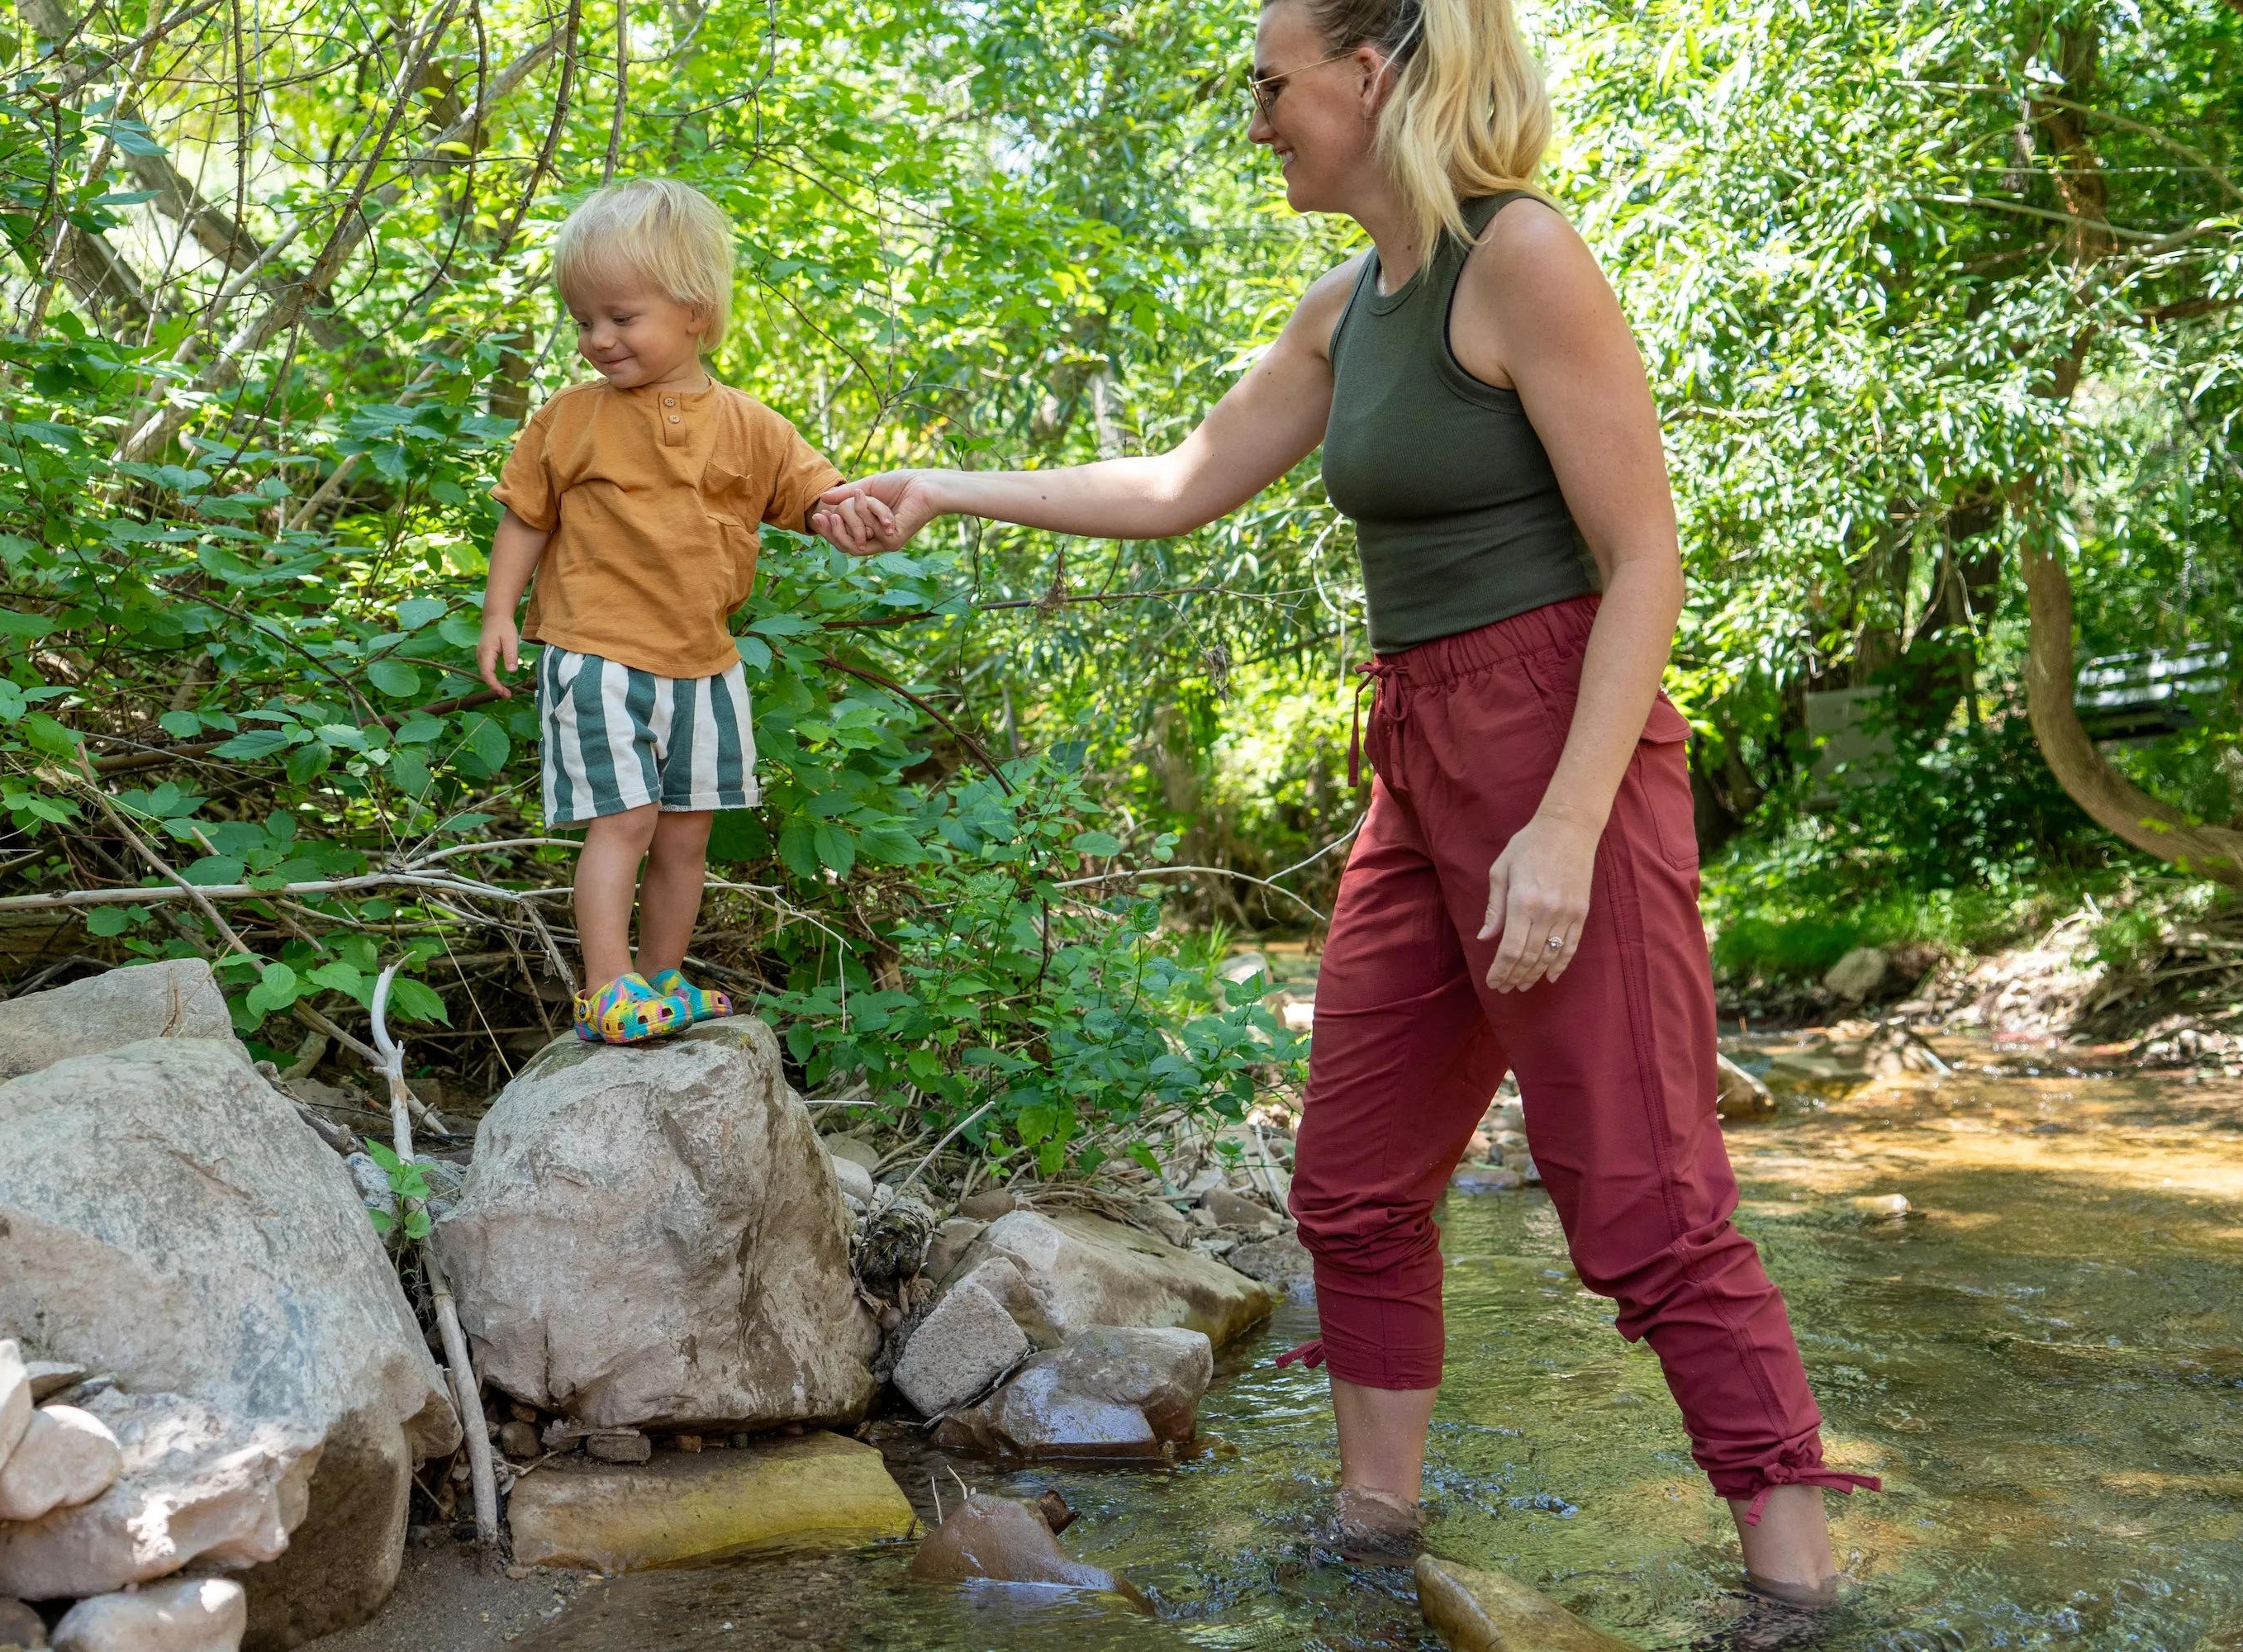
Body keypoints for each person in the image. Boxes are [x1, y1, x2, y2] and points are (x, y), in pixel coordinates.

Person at [810, 0, 1875, 1608]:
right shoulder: (1345, 309)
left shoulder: (1521, 258)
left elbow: (1646, 558)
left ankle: (1801, 1595)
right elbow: (1177, 485)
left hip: (1558, 747)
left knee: (1648, 1207)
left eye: (1269, 86)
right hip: (1421, 759)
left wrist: (1569, 825)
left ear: (1369, 77)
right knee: (1356, 1186)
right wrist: (941, 488)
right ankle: (1374, 1543)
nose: (1256, 122)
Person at [477, 178, 891, 1045]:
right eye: (584, 319)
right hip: (597, 653)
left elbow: (816, 494)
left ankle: (661, 977)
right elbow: (525, 513)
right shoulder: (570, 420)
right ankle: (605, 984)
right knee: (621, 820)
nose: (598, 339)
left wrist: (850, 516)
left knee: (686, 832)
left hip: (706, 665)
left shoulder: (751, 426)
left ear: (696, 311)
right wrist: (500, 613)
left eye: (621, 317)